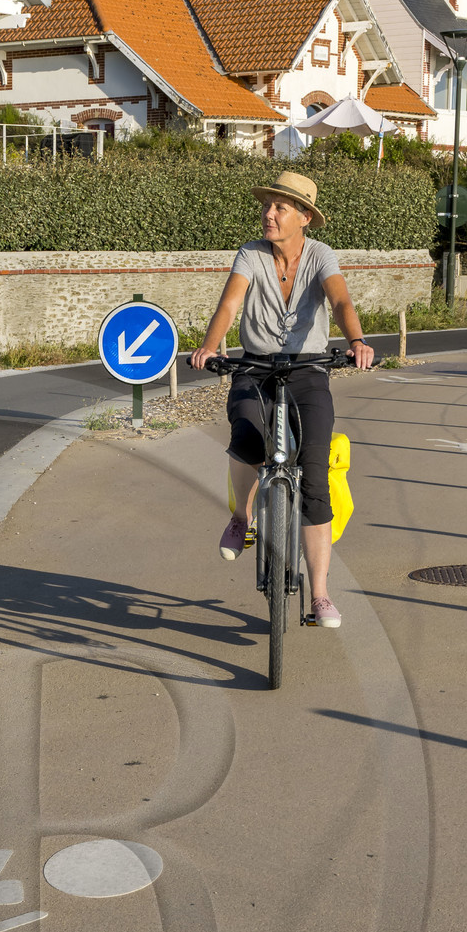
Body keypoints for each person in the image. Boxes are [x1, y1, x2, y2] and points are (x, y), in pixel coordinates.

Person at [189, 168, 374, 631]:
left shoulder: (321, 256)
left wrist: (357, 341)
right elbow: (230, 304)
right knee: (247, 437)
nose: (268, 215)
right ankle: (241, 516)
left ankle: (320, 595)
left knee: (314, 477)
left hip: (309, 370)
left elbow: (341, 303)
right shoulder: (250, 255)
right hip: (254, 366)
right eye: (267, 206)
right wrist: (212, 345)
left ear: (304, 217)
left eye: (280, 208)